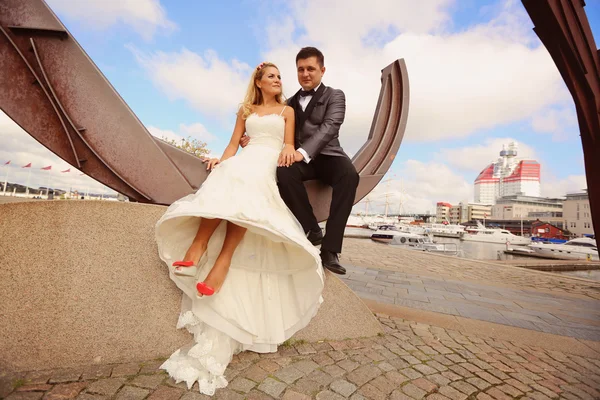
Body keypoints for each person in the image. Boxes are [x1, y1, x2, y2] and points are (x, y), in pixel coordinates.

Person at [154, 62, 324, 395]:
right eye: (271, 76)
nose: (277, 80)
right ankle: (198, 248)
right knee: (226, 177)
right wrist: (221, 159)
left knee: (247, 192)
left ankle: (222, 260)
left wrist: (290, 150)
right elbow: (233, 144)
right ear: (259, 82)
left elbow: (287, 145)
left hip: (268, 164)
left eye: (279, 76)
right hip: (245, 159)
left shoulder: (288, 111)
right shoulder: (245, 109)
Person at [241, 47, 359, 275]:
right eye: (301, 69)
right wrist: (252, 139)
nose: (305, 74)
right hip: (300, 159)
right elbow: (275, 128)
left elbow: (329, 127)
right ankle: (312, 229)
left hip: (329, 155)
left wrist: (302, 152)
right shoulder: (290, 102)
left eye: (311, 69)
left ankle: (330, 250)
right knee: (284, 173)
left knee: (350, 176)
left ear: (322, 70)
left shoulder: (335, 95)